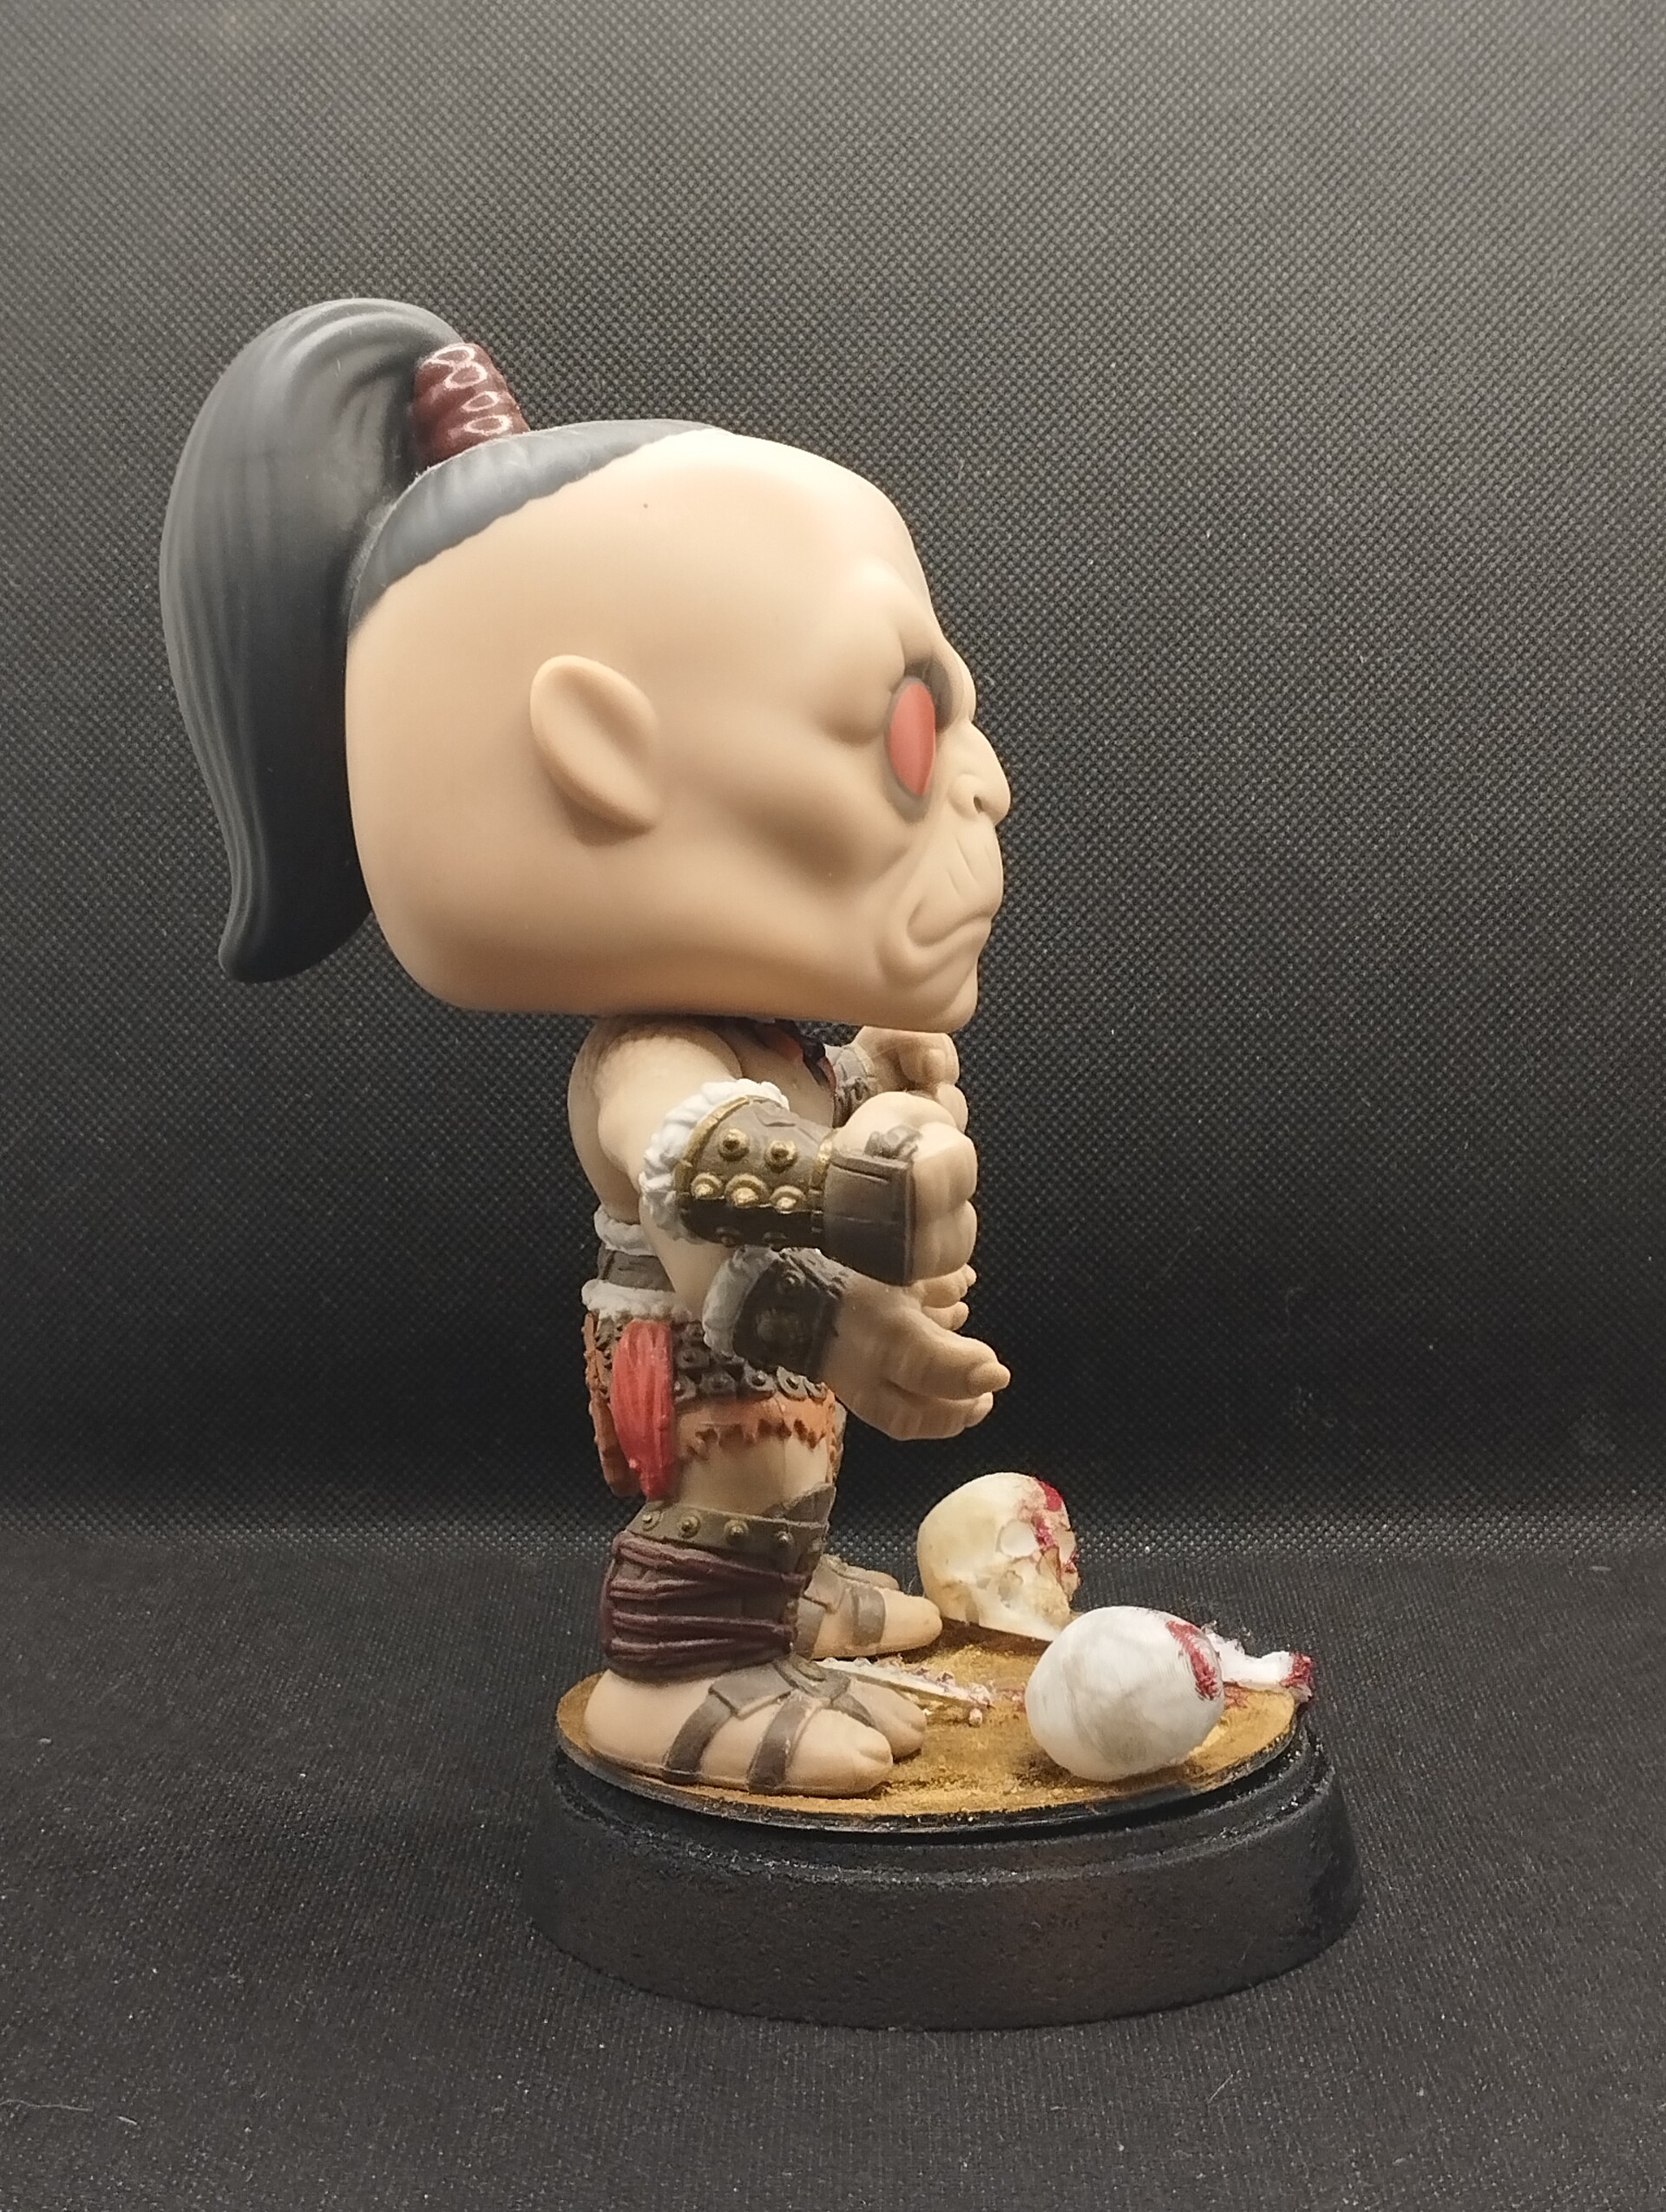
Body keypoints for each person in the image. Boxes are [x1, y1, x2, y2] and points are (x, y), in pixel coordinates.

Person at [161, 299, 1012, 1796]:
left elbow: (805, 1151)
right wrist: (866, 1250)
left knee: (785, 1472)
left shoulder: (766, 1035)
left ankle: (777, 1593)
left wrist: (885, 1091)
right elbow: (704, 1186)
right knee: (743, 1472)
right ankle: (676, 1661)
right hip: (696, 1365)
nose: (984, 784)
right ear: (599, 758)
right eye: (905, 724)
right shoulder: (650, 1061)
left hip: (762, 1360)